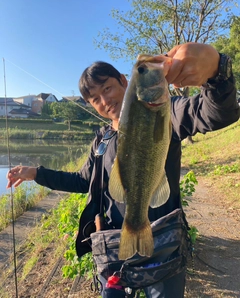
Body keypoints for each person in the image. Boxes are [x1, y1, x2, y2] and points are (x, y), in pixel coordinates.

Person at [6, 42, 240, 298]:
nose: (105, 100)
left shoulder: (167, 110)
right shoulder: (102, 140)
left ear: (123, 81)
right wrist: (36, 173)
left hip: (163, 244)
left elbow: (217, 113)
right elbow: (83, 180)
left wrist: (217, 71)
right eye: (95, 99)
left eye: (107, 88)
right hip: (114, 247)